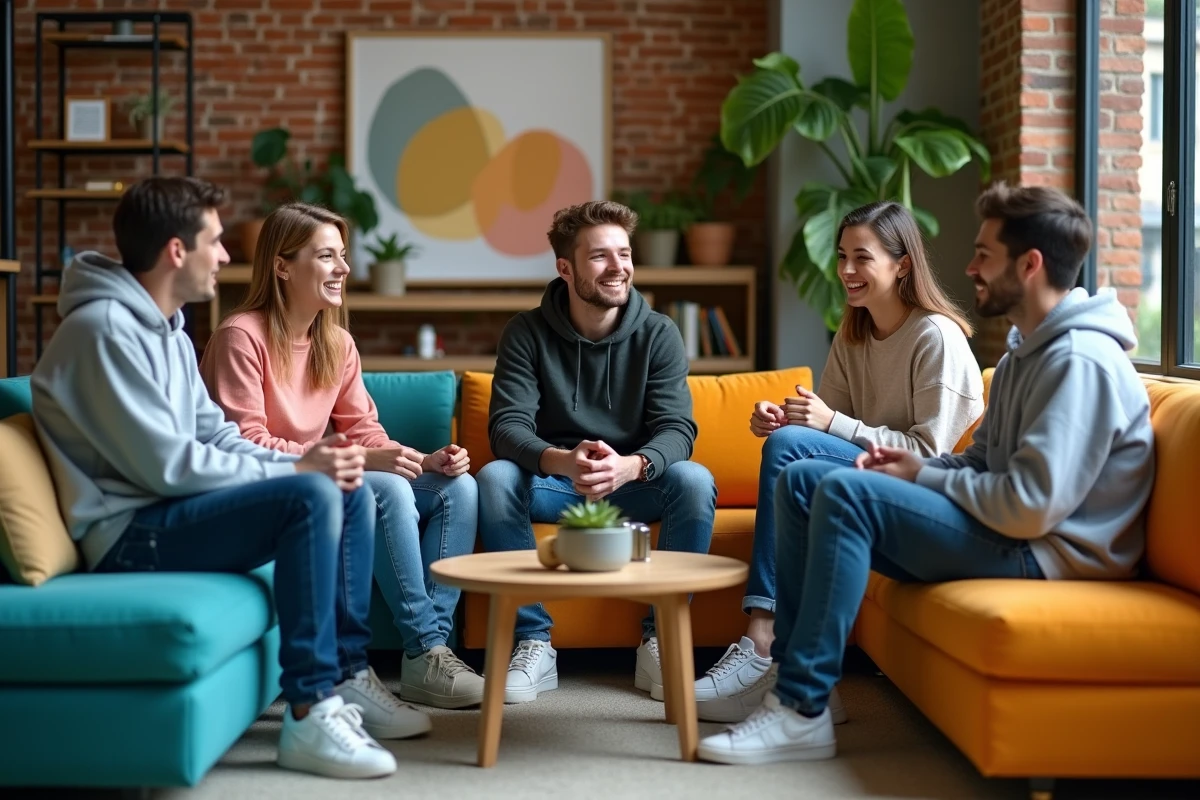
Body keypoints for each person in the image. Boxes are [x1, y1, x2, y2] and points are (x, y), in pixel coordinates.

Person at [696, 182, 1156, 765]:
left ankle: (800, 709)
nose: (970, 268)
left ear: (1030, 265)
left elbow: (1031, 508)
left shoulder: (1078, 361)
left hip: (1047, 552)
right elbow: (978, 462)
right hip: (1009, 529)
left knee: (844, 493)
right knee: (804, 479)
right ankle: (795, 678)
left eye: (984, 254)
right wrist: (916, 468)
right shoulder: (1024, 355)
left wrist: (926, 474)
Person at [30, 177, 409, 780]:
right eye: (214, 241)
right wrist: (298, 469)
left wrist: (308, 462)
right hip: (128, 533)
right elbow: (168, 466)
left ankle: (344, 675)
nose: (227, 256)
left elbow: (216, 435)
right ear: (177, 251)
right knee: (312, 494)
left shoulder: (168, 329)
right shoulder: (103, 331)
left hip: (166, 512)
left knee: (346, 484)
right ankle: (309, 710)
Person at [695, 201, 984, 722]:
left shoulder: (935, 336)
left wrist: (826, 424)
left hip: (925, 494)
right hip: (871, 475)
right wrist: (782, 421)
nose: (847, 270)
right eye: (842, 256)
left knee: (792, 450)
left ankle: (763, 637)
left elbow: (928, 455)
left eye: (862, 257)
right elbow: (821, 431)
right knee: (787, 447)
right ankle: (782, 657)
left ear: (902, 264)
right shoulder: (855, 333)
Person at [199, 202, 483, 710]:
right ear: (282, 266)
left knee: (457, 487)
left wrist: (421, 459)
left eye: (343, 255)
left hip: (330, 473)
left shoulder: (337, 342)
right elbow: (246, 443)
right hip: (273, 486)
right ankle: (423, 644)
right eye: (326, 256)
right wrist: (363, 460)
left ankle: (430, 654)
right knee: (386, 487)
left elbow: (364, 431)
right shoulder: (240, 337)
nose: (344, 269)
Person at [476, 199, 718, 703]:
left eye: (624, 254)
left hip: (633, 485)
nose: (618, 267)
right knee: (496, 478)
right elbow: (507, 427)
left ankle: (661, 641)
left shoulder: (659, 333)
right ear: (565, 269)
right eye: (600, 256)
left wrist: (633, 466)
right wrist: (562, 461)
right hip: (556, 484)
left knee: (694, 480)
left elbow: (677, 428)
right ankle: (532, 641)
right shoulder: (526, 332)